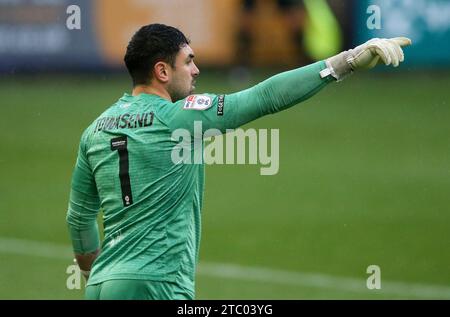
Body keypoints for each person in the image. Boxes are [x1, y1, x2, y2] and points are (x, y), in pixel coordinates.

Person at [66, 23, 411, 300]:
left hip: (101, 286)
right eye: (188, 61)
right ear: (162, 71)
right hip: (158, 284)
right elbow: (265, 96)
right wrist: (346, 61)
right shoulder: (176, 118)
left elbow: (79, 219)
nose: (196, 69)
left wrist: (98, 275)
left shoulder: (94, 130)